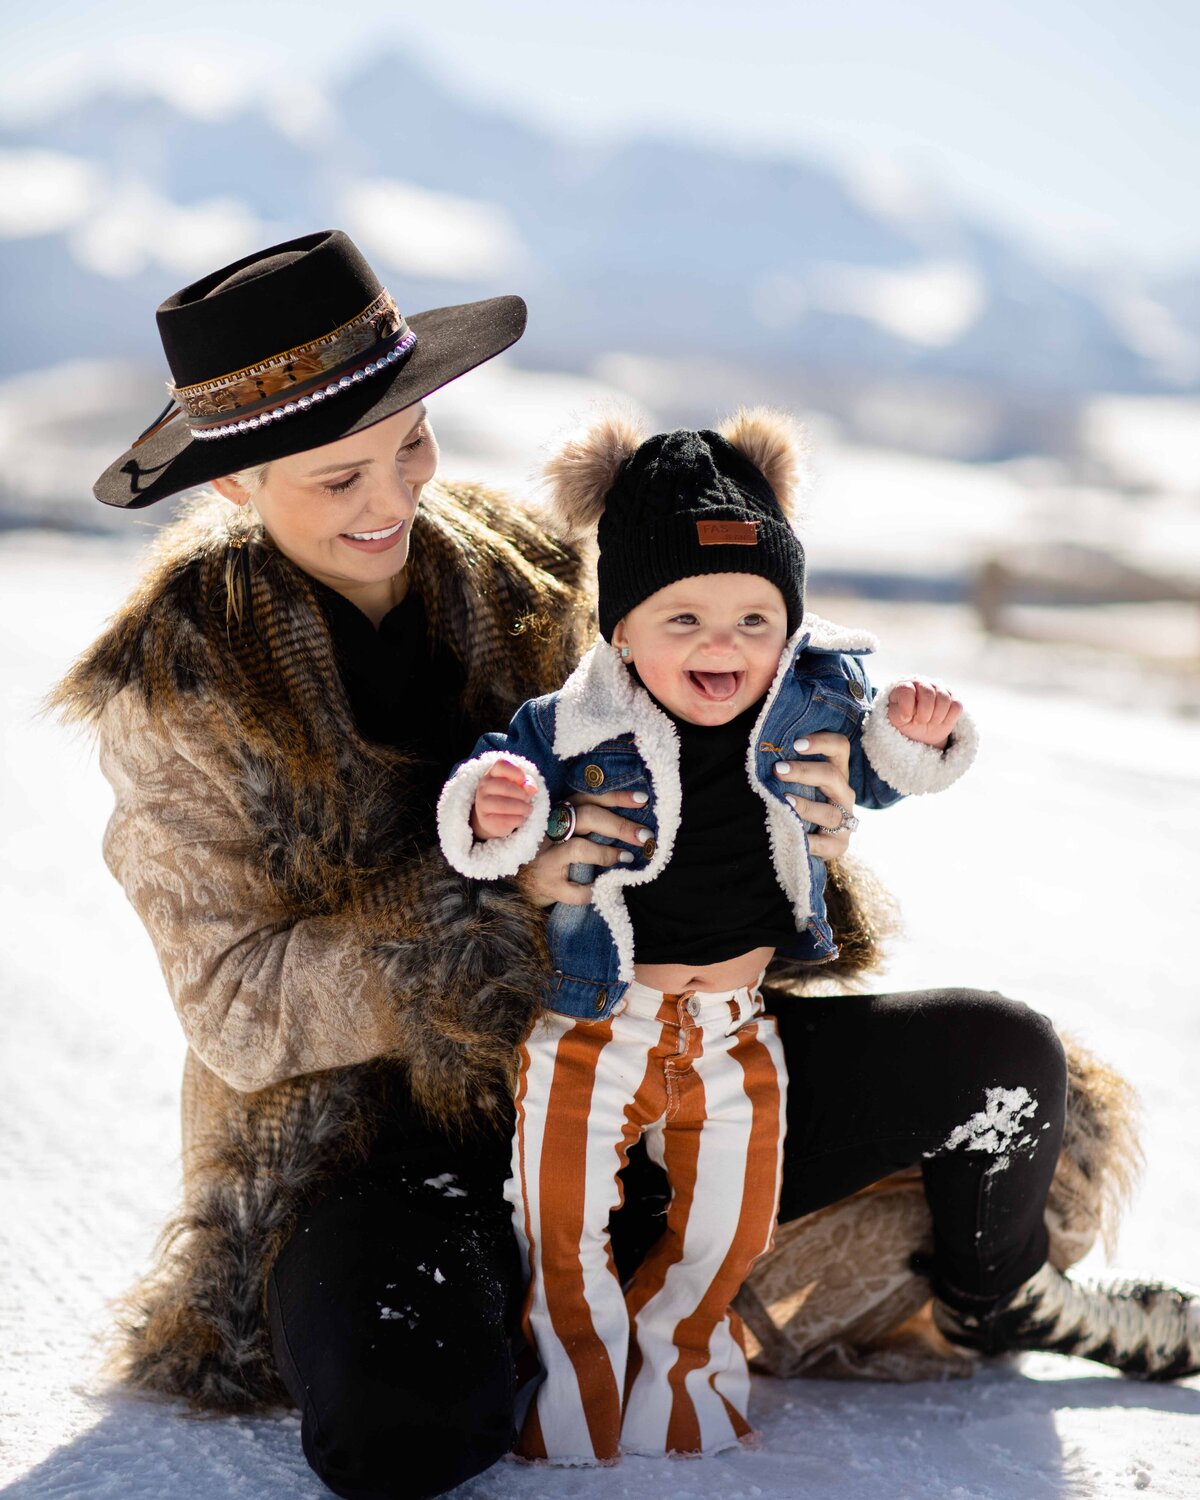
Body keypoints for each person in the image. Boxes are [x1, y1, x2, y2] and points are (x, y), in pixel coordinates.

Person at [50, 230, 1194, 1500]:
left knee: (1002, 1065)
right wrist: (500, 905)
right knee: (399, 1432)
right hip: (387, 1147)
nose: (392, 500)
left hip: (646, 1050)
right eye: (337, 478)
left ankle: (995, 1300)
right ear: (235, 486)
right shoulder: (177, 690)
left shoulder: (533, 571)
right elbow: (238, 1006)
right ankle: (575, 1297)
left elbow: (712, 713)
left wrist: (800, 826)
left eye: (411, 445)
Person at [437, 414, 977, 1462]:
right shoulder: (571, 723)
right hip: (597, 1022)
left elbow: (884, 772)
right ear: (620, 631)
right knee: (560, 1224)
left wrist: (921, 737)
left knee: (728, 1230)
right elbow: (484, 811)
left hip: (737, 1030)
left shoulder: (813, 702)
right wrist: (497, 809)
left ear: (788, 624)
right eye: (680, 617)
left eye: (752, 618)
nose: (720, 645)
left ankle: (681, 1374)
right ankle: (573, 1399)